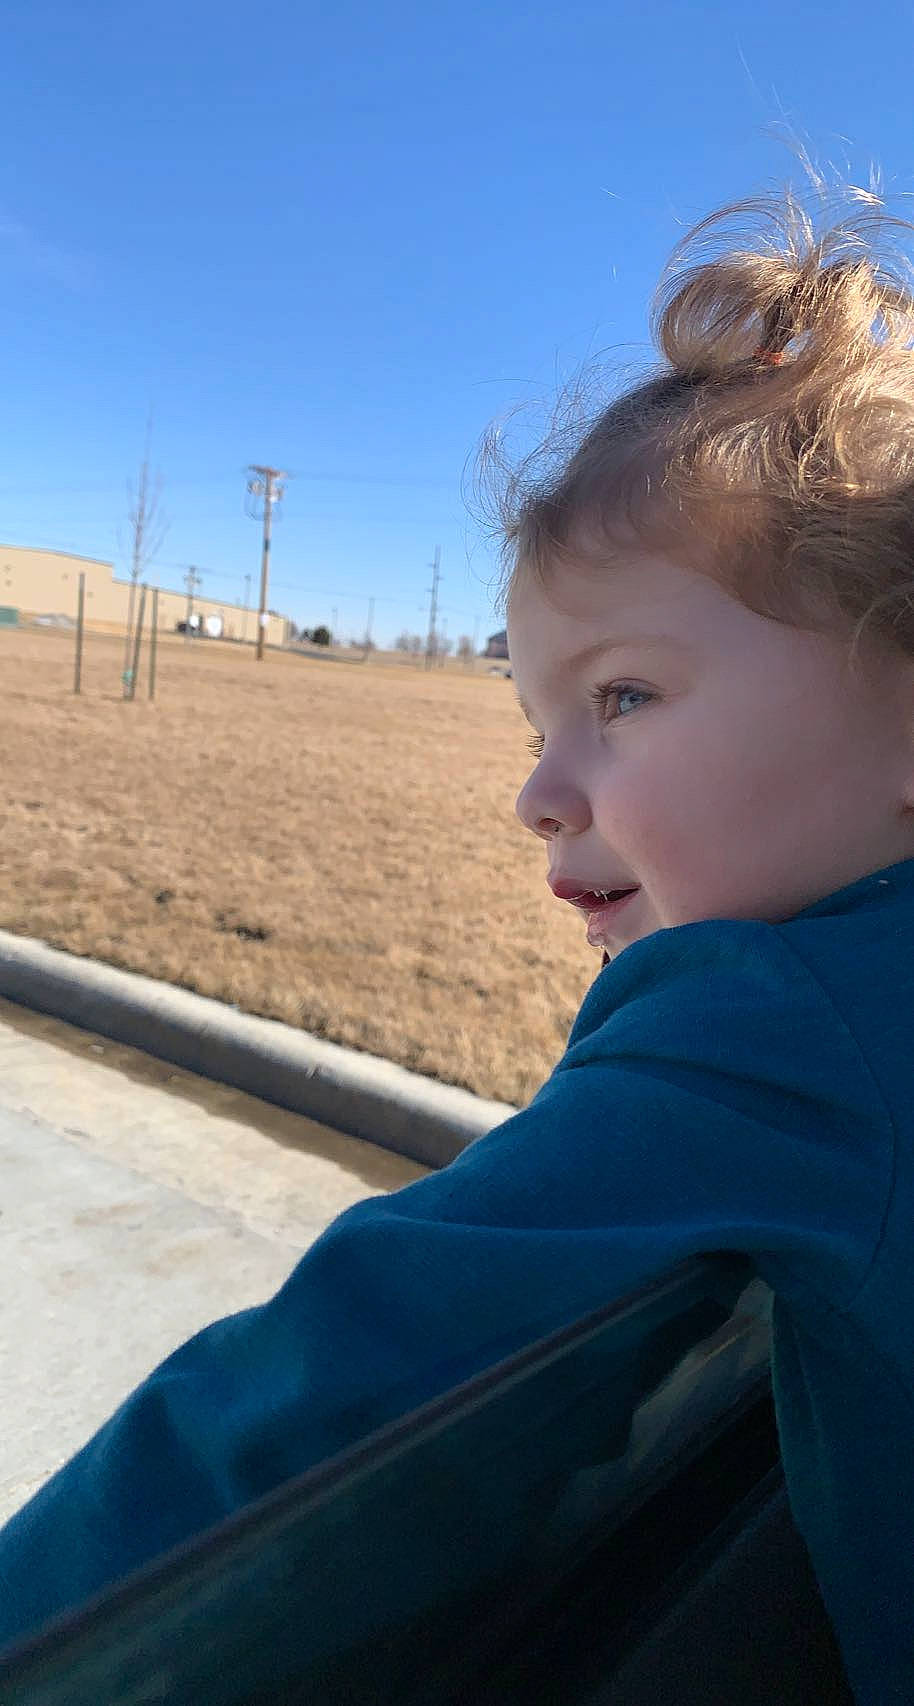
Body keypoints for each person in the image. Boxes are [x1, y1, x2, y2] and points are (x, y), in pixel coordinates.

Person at [3, 181, 914, 1704]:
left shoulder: (771, 1018)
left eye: (622, 696)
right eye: (535, 721)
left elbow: (341, 1376)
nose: (537, 794)